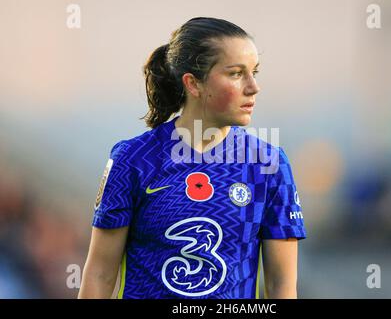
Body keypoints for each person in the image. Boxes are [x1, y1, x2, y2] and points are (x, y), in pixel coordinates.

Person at [78, 17, 307, 299]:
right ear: (193, 84)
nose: (253, 87)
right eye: (236, 73)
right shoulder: (133, 160)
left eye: (254, 72)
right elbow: (100, 273)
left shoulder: (269, 164)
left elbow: (281, 286)